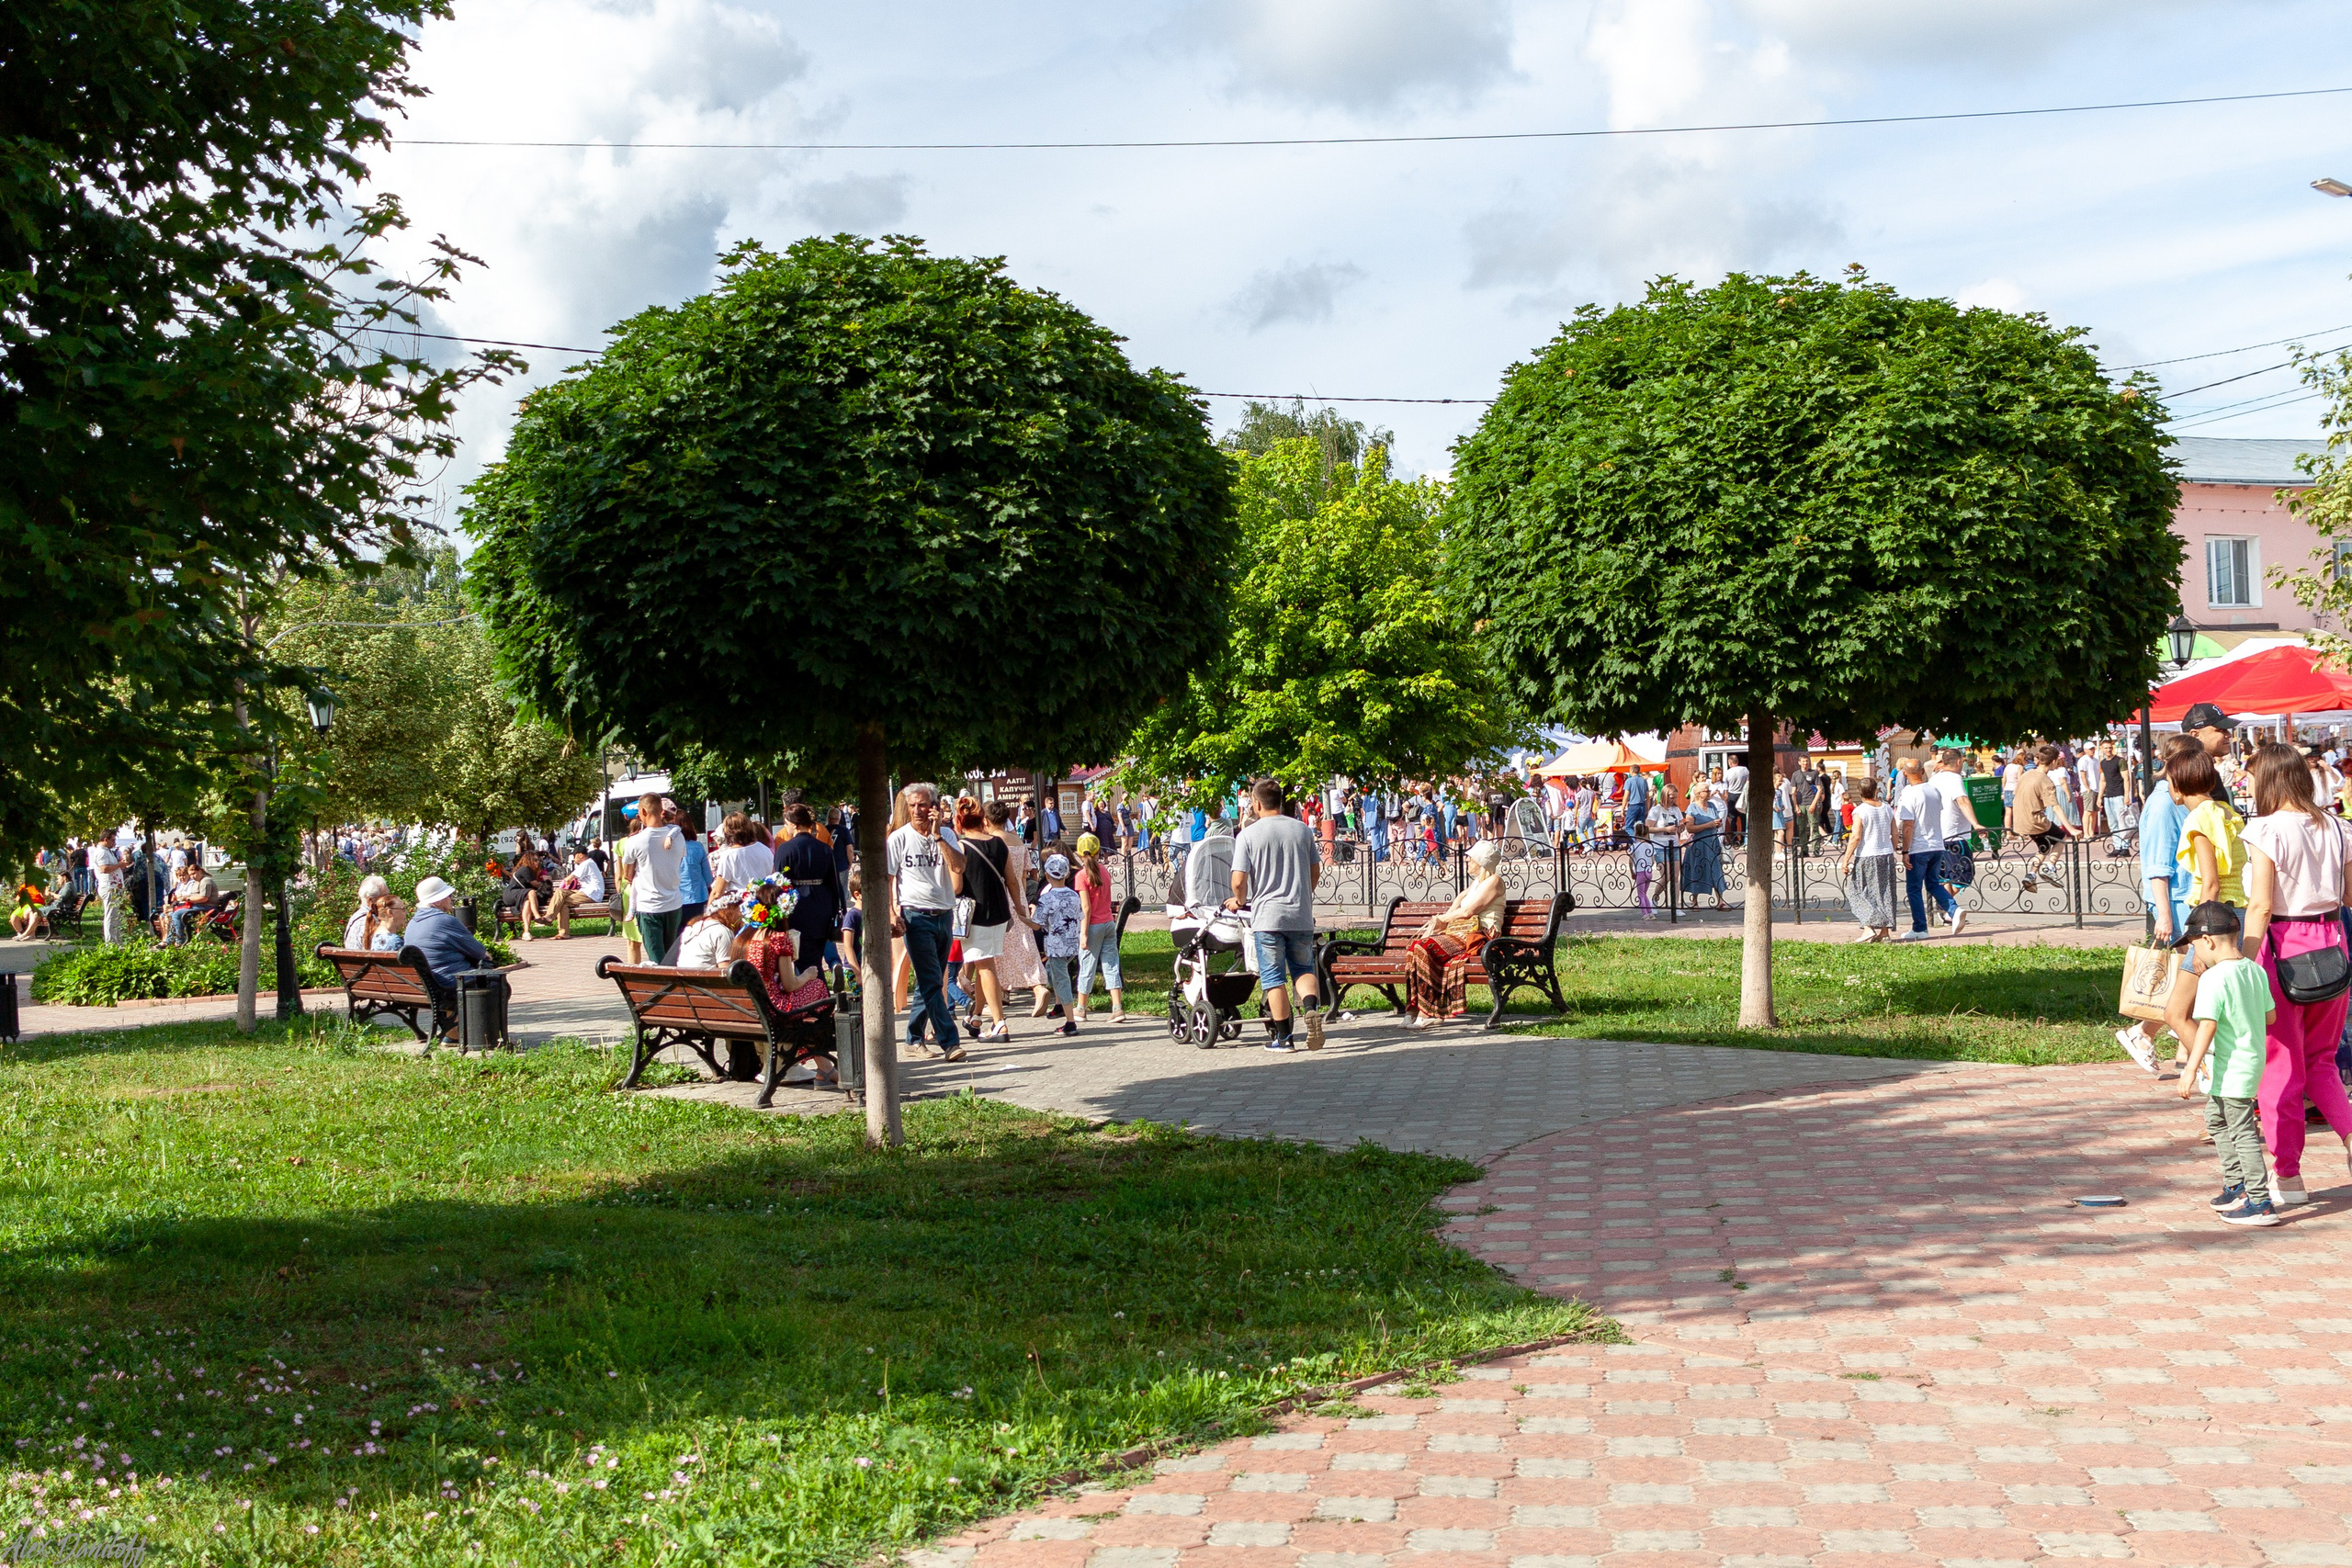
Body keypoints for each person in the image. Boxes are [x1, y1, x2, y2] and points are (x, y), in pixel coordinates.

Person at [2236, 741, 2352, 1208]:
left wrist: (2242, 963)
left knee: (2281, 1064)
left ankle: (2288, 1175)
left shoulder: (2265, 829)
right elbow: (2349, 895)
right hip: (2333, 944)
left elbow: (2261, 904)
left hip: (2283, 947)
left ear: (2268, 780)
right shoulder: (2339, 827)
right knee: (2323, 1059)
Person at [2172, 901, 2282, 1226]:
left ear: (2206, 941)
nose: (2195, 956)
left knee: (2243, 1131)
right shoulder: (2254, 970)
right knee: (2217, 1120)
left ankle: (2260, 1201)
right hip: (2247, 1062)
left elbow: (2207, 1026)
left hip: (2232, 1066)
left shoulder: (2214, 977)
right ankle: (2236, 1186)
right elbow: (2271, 1016)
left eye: (2193, 948)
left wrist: (2190, 1069)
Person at [2119, 733, 2207, 1070]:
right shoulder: (2163, 804)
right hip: (2178, 901)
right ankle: (2145, 1032)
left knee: (2194, 978)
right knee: (2193, 976)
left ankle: (2160, 1040)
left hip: (2184, 898)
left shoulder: (2176, 800)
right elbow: (2157, 864)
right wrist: (2165, 915)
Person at [1226, 778, 1325, 1053]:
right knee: (1303, 969)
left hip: (1268, 918)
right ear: (1280, 801)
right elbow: (1315, 869)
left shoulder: (1248, 835)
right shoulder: (1302, 830)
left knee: (1273, 978)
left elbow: (1237, 880)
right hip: (1300, 914)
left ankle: (1284, 1038)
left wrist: (1241, 899)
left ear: (1256, 804)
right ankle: (1310, 1009)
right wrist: (1305, 894)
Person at [886, 782, 966, 1059]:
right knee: (933, 982)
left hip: (944, 914)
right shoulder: (899, 838)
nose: (917, 811)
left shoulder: (946, 835)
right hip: (915, 916)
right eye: (912, 806)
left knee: (927, 981)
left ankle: (912, 1037)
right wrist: (892, 914)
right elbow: (887, 879)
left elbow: (958, 867)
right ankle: (950, 1041)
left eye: (922, 805)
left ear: (934, 807)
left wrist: (939, 837)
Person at [1405, 838, 1506, 1025]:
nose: (1467, 860)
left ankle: (1427, 1012)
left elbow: (1469, 911)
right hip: (1462, 933)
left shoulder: (1494, 881)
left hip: (1481, 937)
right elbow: (1461, 899)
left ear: (1482, 861)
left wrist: (1443, 919)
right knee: (1414, 947)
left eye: (1471, 858)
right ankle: (1412, 1009)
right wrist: (1445, 917)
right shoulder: (1478, 883)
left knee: (1423, 948)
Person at [741, 890, 838, 1085]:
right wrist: (808, 974)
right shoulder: (778, 939)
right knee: (818, 988)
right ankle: (824, 1065)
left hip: (750, 1006)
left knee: (811, 1008)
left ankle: (824, 1067)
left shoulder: (747, 938)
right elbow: (790, 984)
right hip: (775, 1007)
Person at [951, 795, 1012, 1045]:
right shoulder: (999, 843)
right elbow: (1012, 880)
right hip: (999, 912)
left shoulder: (961, 848)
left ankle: (999, 1023)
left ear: (959, 821)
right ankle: (976, 1016)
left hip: (975, 914)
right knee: (984, 964)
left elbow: (956, 887)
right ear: (982, 820)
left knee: (985, 967)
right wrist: (1018, 907)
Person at [404, 876, 497, 1032]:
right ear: (438, 901)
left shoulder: (412, 923)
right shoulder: (445, 921)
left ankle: (453, 1033)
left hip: (421, 985)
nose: (451, 898)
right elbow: (479, 952)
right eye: (448, 895)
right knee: (495, 982)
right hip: (446, 983)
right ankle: (486, 1033)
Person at [621, 793, 687, 964]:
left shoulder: (635, 841)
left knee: (656, 959)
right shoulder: (677, 837)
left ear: (642, 811)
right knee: (672, 956)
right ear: (661, 810)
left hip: (649, 906)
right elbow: (678, 861)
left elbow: (627, 875)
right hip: (674, 903)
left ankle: (663, 989)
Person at [775, 804, 842, 972]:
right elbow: (834, 882)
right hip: (822, 907)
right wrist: (838, 910)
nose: (785, 827)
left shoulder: (785, 849)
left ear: (794, 824)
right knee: (816, 959)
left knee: (800, 960)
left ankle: (812, 993)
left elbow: (779, 881)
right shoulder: (824, 848)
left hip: (796, 909)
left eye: (786, 823)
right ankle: (819, 990)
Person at [1894, 758, 1953, 941]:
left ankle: (1920, 928)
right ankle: (1955, 909)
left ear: (1904, 774)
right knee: (1933, 883)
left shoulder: (1909, 793)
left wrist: (1905, 851)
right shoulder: (1933, 790)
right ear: (1922, 772)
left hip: (1919, 847)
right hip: (1937, 844)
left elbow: (1908, 825)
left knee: (1913, 889)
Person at [1072, 832, 1125, 1022]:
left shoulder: (1081, 876)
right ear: (1098, 851)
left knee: (1087, 966)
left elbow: (1086, 908)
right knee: (1111, 964)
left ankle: (1081, 1008)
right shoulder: (1104, 871)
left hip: (1092, 925)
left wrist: (1083, 934)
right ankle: (1117, 1008)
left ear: (1079, 853)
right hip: (1108, 923)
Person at [1839, 776, 1898, 942]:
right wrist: (1891, 849)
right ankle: (1885, 932)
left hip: (1866, 856)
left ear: (1860, 792)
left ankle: (1868, 927)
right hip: (1886, 855)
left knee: (1858, 892)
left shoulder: (1861, 811)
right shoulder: (1887, 809)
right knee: (1885, 893)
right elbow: (1895, 833)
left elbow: (1856, 836)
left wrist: (1846, 860)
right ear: (1876, 790)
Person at [2010, 743, 2071, 892]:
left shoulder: (2026, 774)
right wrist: (2071, 829)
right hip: (2035, 820)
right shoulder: (2046, 781)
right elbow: (2055, 807)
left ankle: (2031, 874)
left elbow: (2014, 794)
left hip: (2020, 821)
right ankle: (2050, 867)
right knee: (2061, 837)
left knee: (2043, 846)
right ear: (2053, 761)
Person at [1035, 853, 1084, 1035]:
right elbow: (1079, 917)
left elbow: (1037, 923)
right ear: (1067, 875)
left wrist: (1023, 917)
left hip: (1055, 946)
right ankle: (1062, 1006)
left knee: (1061, 980)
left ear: (1047, 876)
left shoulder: (1046, 898)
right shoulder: (1073, 895)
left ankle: (1070, 1022)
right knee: (1055, 974)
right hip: (1072, 944)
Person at [1679, 783, 1727, 910]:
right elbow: (1689, 828)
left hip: (1712, 843)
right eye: (1706, 790)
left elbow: (1715, 821)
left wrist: (1717, 824)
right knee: (1697, 870)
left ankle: (1720, 901)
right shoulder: (1692, 808)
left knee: (1716, 870)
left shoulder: (1712, 805)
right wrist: (1709, 825)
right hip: (1698, 845)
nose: (1709, 792)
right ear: (1699, 794)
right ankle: (1694, 901)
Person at [676, 889, 749, 971]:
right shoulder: (722, 932)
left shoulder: (693, 926)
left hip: (683, 980)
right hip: (705, 981)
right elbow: (725, 971)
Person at [711, 813, 775, 896]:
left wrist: (710, 907)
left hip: (741, 903)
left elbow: (717, 892)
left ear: (728, 832)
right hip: (764, 901)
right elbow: (773, 876)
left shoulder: (729, 855)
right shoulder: (765, 849)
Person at [670, 802, 712, 924]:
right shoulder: (698, 847)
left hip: (674, 899)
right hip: (696, 898)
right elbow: (708, 879)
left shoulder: (668, 847)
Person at [1631, 821, 1664, 919]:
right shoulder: (1650, 846)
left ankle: (1645, 914)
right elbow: (1653, 860)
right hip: (1649, 872)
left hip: (1640, 871)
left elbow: (1630, 860)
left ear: (1636, 833)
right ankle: (1651, 913)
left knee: (1640, 894)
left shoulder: (1635, 846)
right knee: (1644, 893)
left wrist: (1632, 871)